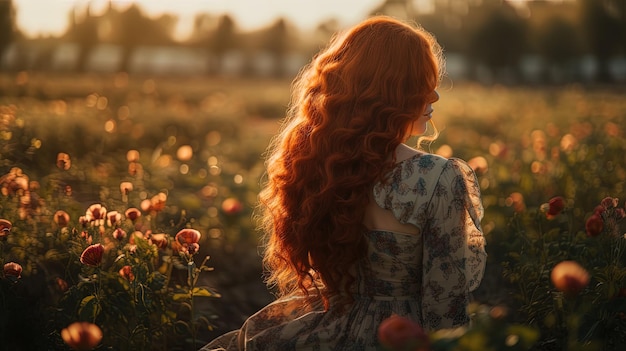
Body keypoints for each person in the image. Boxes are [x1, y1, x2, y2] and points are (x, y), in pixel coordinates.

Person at [200, 15, 486, 351]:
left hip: (330, 326)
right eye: (421, 84)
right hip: (401, 337)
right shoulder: (438, 177)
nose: (435, 96)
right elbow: (445, 307)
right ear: (388, 91)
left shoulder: (323, 164)